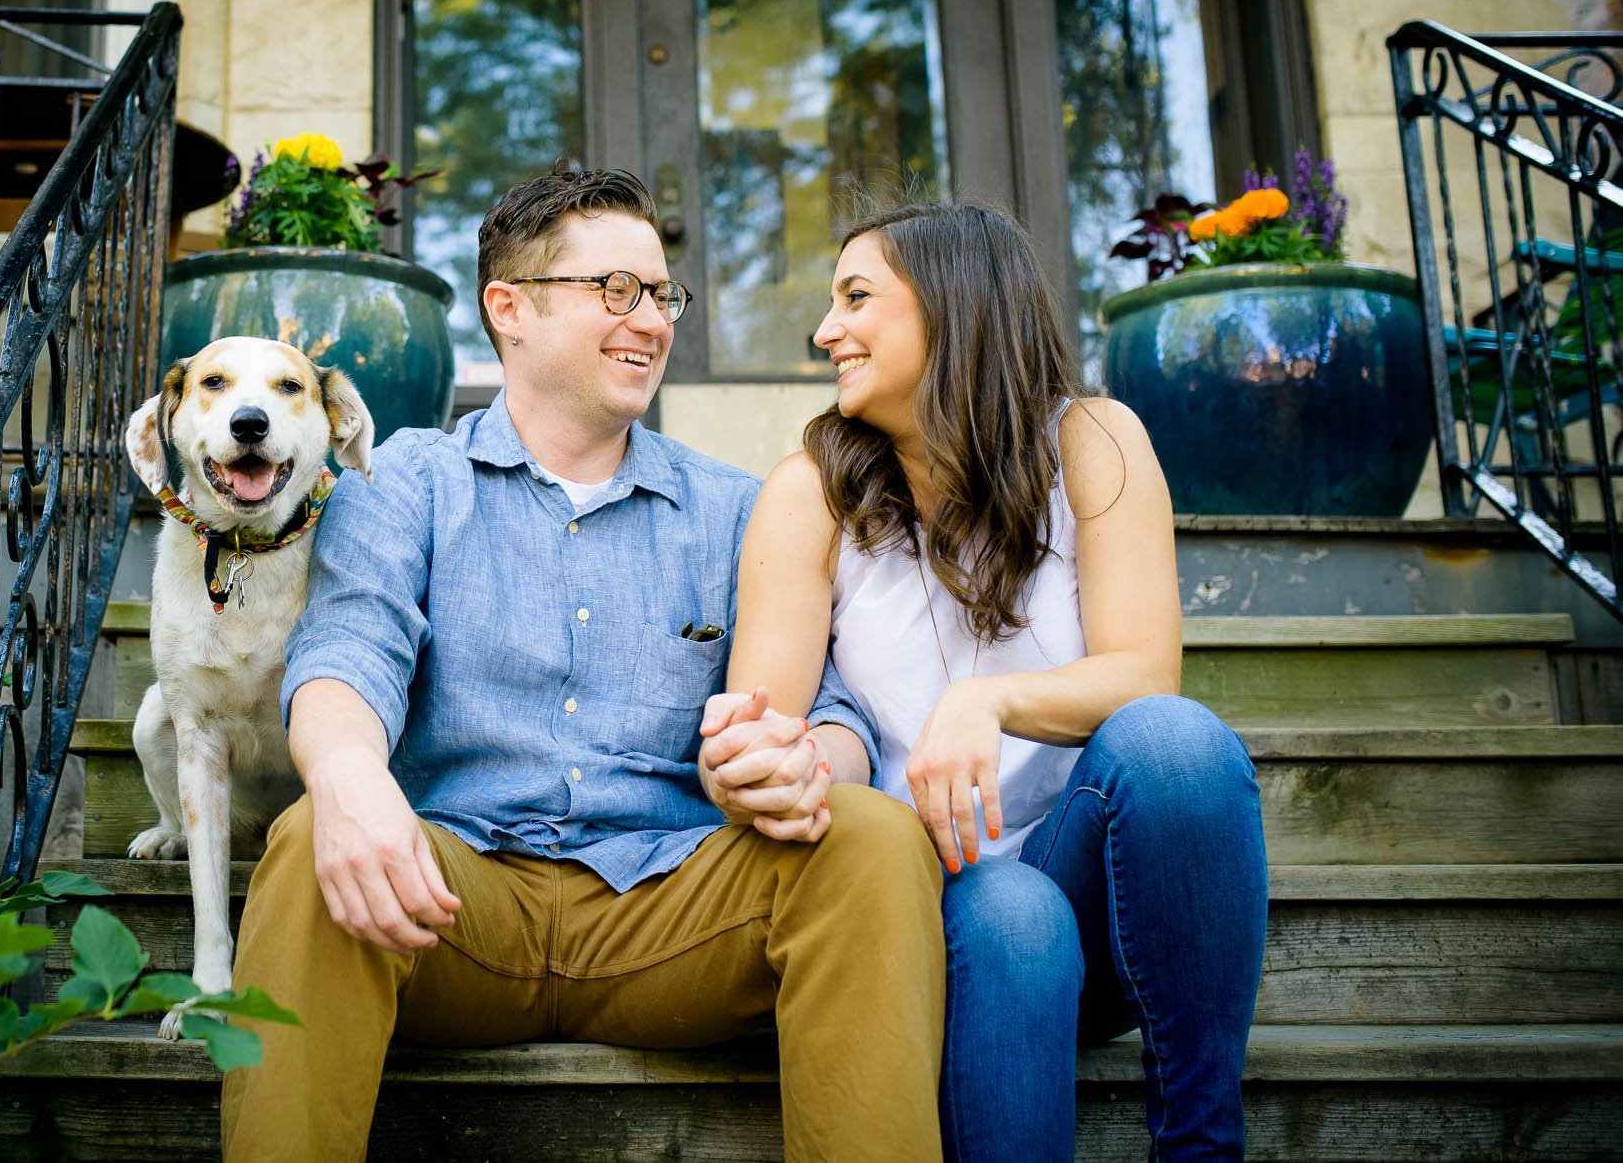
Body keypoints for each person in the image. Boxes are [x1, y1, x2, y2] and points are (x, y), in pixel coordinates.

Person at [221, 169, 947, 1163]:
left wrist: (809, 757)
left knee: (868, 833)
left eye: (660, 295)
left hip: (673, 911)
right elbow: (347, 655)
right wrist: (347, 777)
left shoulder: (738, 507)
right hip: (448, 905)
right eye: (615, 289)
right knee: (311, 837)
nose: (649, 320)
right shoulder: (404, 485)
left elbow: (836, 713)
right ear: (508, 309)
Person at [731, 201, 1267, 1163]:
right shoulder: (809, 493)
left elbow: (1147, 675)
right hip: (932, 901)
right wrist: (772, 761)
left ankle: (1200, 1146)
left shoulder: (1093, 441)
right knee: (1009, 911)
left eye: (856, 298)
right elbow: (768, 730)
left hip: (1091, 879)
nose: (825, 331)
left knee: (1178, 746)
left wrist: (990, 700)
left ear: (952, 307)